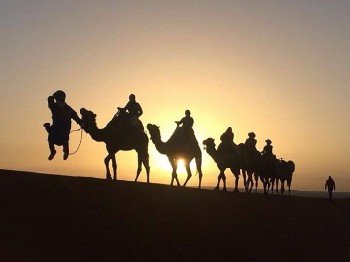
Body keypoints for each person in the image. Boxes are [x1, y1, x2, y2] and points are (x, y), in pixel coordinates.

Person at [43, 90, 82, 161]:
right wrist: (52, 97)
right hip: (56, 127)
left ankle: (66, 152)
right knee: (51, 138)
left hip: (65, 127)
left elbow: (75, 116)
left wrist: (80, 122)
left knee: (65, 139)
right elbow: (50, 101)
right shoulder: (54, 106)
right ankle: (53, 151)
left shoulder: (68, 108)